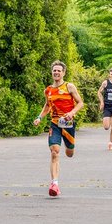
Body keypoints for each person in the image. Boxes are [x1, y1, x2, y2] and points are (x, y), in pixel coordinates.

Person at [33, 60, 84, 198]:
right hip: (55, 124)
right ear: (52, 72)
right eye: (54, 70)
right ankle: (54, 184)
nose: (56, 72)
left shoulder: (69, 87)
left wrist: (72, 113)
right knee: (54, 152)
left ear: (63, 73)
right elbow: (47, 106)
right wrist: (39, 117)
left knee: (69, 153)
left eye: (59, 70)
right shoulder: (48, 90)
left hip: (68, 124)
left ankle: (70, 145)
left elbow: (80, 103)